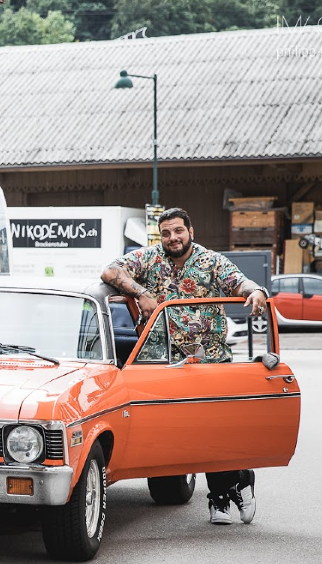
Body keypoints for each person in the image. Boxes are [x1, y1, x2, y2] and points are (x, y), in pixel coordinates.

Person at [101, 207, 269, 526]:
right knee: (188, 435)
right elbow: (109, 272)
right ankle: (230, 489)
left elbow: (240, 283)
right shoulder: (148, 259)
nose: (172, 238)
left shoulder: (211, 261)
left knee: (215, 432)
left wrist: (256, 292)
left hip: (209, 361)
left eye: (178, 231)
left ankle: (229, 491)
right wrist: (142, 294)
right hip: (162, 364)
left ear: (191, 231)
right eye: (166, 233)